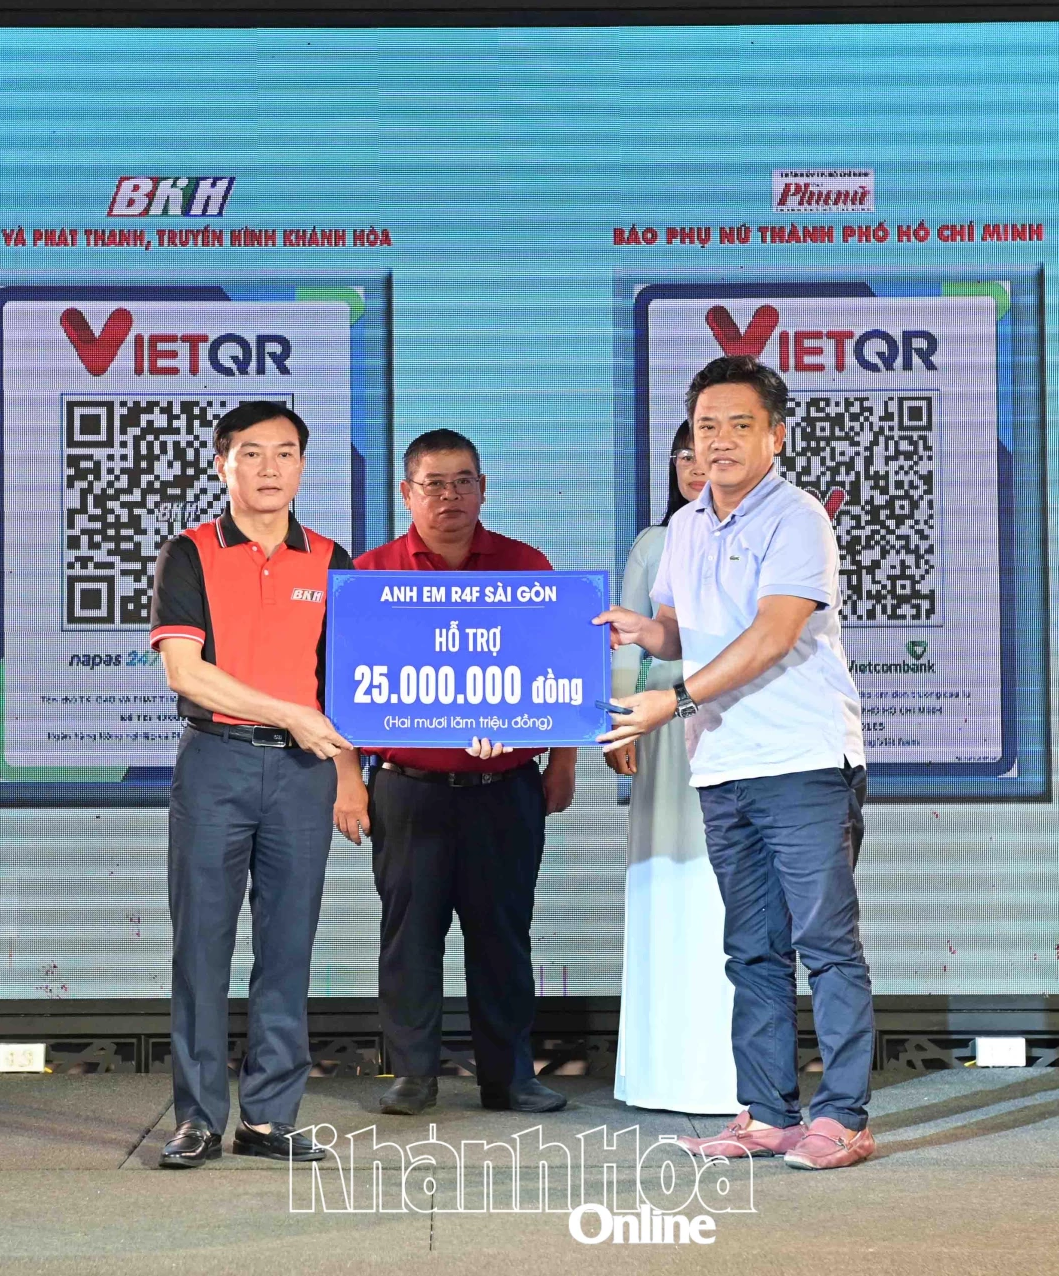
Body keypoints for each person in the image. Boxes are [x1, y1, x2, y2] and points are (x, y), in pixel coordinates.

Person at [595, 356, 875, 1172]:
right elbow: (683, 629)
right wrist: (641, 631)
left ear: (775, 436)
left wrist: (675, 697)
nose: (718, 442)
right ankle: (768, 1114)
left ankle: (844, 1116)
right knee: (752, 948)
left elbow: (772, 634)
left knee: (826, 943)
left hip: (802, 759)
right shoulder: (686, 526)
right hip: (721, 763)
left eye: (738, 425)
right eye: (706, 426)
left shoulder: (796, 518)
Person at [148, 401, 369, 1169]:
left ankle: (269, 1118)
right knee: (201, 943)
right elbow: (185, 672)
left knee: (288, 944)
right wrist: (290, 713)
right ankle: (198, 1117)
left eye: (284, 453)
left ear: (302, 466)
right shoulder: (189, 553)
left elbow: (346, 684)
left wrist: (349, 774)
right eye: (251, 453)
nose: (269, 467)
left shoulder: (333, 559)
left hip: (306, 773)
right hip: (217, 761)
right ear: (223, 464)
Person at [356, 429, 577, 1117]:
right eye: (434, 483)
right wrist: (343, 778)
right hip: (407, 789)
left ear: (483, 489)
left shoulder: (526, 565)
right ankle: (412, 1075)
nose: (449, 495)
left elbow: (559, 669)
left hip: (505, 791)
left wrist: (564, 759)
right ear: (407, 493)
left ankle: (509, 1077)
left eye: (462, 481)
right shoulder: (370, 575)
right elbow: (339, 688)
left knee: (503, 937)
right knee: (409, 936)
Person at [605, 424, 739, 1114]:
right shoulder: (655, 543)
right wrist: (617, 719)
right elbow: (625, 638)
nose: (695, 466)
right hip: (660, 723)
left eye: (705, 454)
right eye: (684, 456)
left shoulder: (759, 535)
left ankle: (731, 1074)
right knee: (665, 876)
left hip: (732, 716)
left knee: (728, 886)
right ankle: (659, 1072)